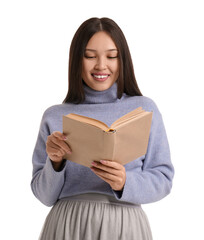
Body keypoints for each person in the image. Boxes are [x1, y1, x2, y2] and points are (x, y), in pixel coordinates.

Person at [31, 17, 174, 240]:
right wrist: (55, 163)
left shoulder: (144, 110)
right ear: (76, 60)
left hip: (125, 226)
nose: (100, 65)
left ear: (122, 60)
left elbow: (163, 179)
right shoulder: (55, 116)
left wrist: (126, 182)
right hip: (68, 226)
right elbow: (43, 195)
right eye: (89, 56)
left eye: (111, 56)